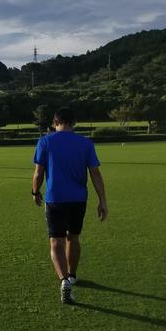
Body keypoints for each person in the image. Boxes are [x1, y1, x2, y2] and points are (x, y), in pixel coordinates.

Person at [32, 107, 108, 305]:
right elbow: (95, 174)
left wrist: (35, 192)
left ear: (55, 122)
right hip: (78, 199)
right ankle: (72, 274)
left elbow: (38, 173)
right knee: (72, 237)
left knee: (55, 241)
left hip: (55, 199)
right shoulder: (85, 143)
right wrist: (102, 200)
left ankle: (64, 281)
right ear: (74, 122)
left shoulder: (45, 141)